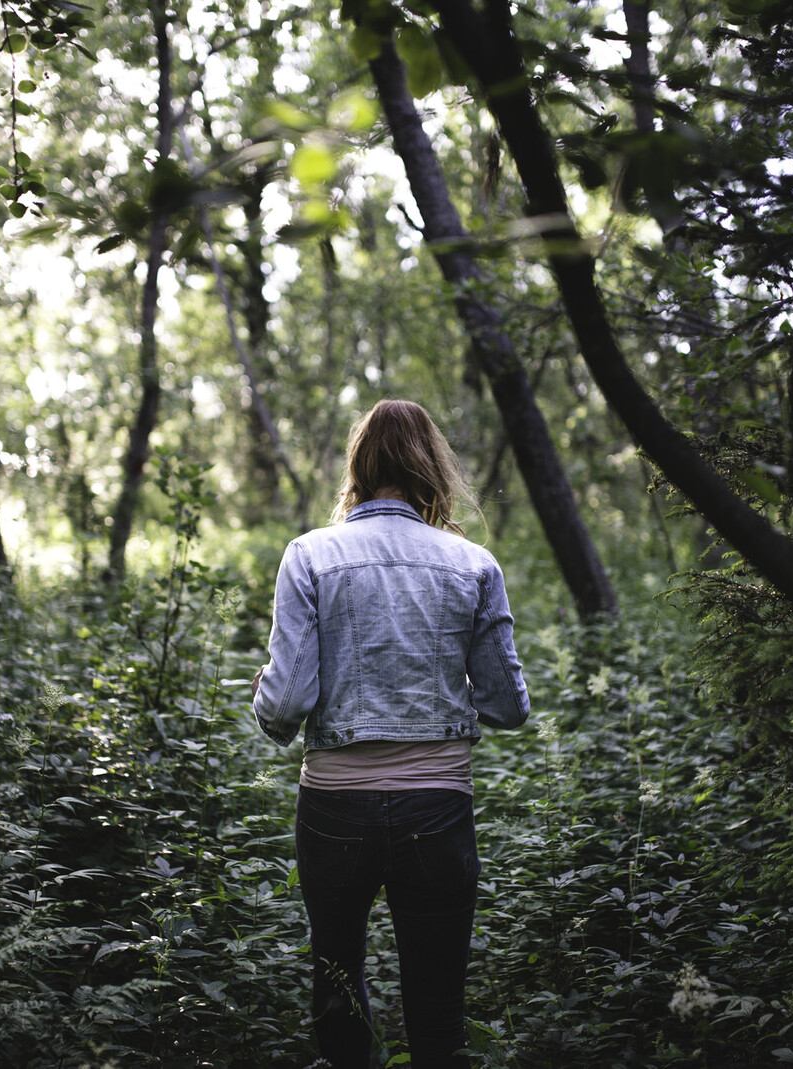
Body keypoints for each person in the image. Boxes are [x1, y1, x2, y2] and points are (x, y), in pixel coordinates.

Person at [251, 399, 530, 1068]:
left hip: (333, 807)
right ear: (429, 466)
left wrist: (268, 707)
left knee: (337, 987)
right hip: (436, 804)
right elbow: (507, 705)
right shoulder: (473, 565)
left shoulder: (310, 554)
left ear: (360, 465)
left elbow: (284, 703)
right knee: (438, 1014)